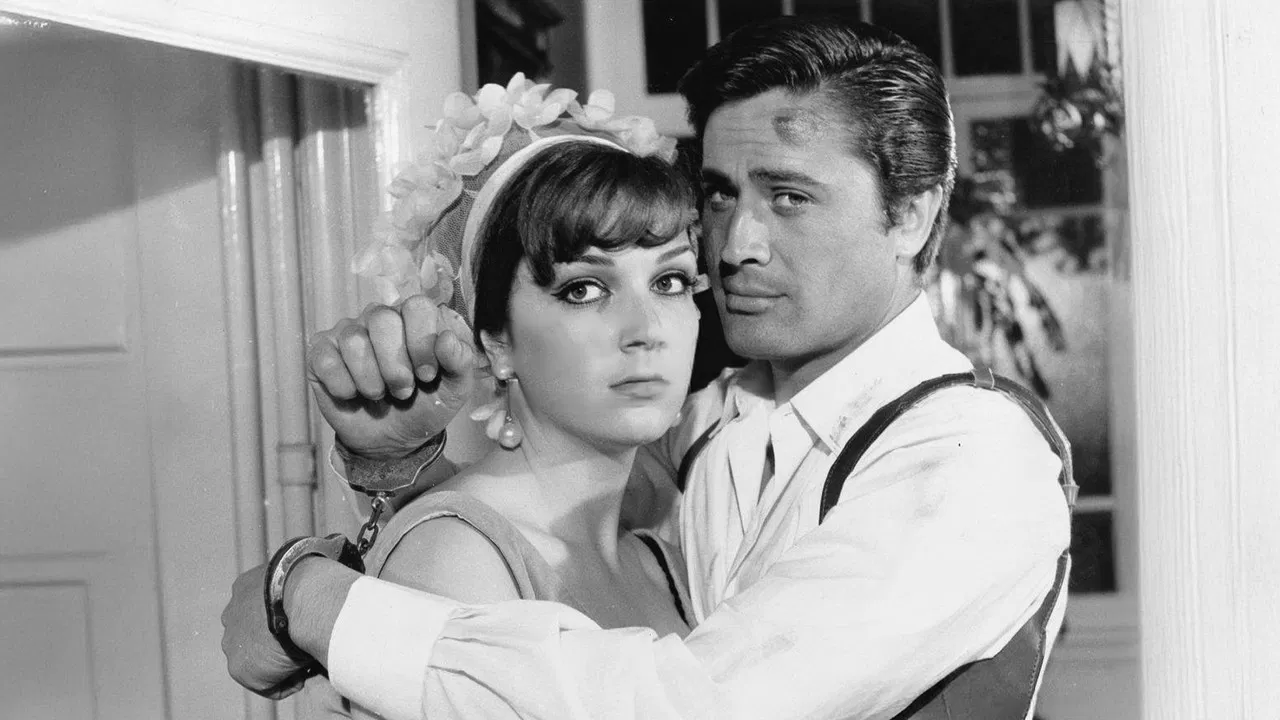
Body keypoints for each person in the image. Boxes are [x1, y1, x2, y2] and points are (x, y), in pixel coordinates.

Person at [223, 16, 1073, 720]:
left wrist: (311, 600)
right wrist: (395, 466)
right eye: (720, 194)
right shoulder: (711, 420)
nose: (735, 246)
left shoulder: (971, 458)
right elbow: (535, 511)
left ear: (912, 215)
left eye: (789, 196)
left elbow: (694, 705)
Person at [282, 85, 709, 717]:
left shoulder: (660, 556)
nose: (647, 329)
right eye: (584, 289)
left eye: (669, 281)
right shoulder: (457, 553)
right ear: (495, 343)